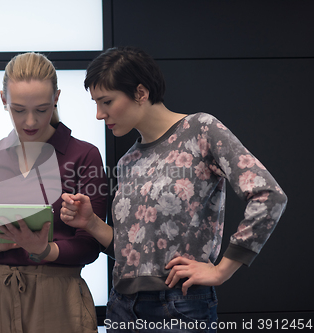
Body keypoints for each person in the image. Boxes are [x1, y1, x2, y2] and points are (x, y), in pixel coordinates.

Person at [60, 46, 288, 333]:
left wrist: (221, 271)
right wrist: (91, 223)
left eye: (106, 101)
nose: (98, 114)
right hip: (121, 307)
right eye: (95, 103)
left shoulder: (201, 130)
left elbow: (269, 195)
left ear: (140, 93)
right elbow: (133, 253)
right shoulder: (128, 160)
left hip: (179, 307)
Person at [0, 52, 108, 333]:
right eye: (19, 110)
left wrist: (45, 250)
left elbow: (91, 245)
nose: (31, 122)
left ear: (57, 98)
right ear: (3, 100)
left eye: (42, 108)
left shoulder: (84, 155)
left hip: (58, 295)